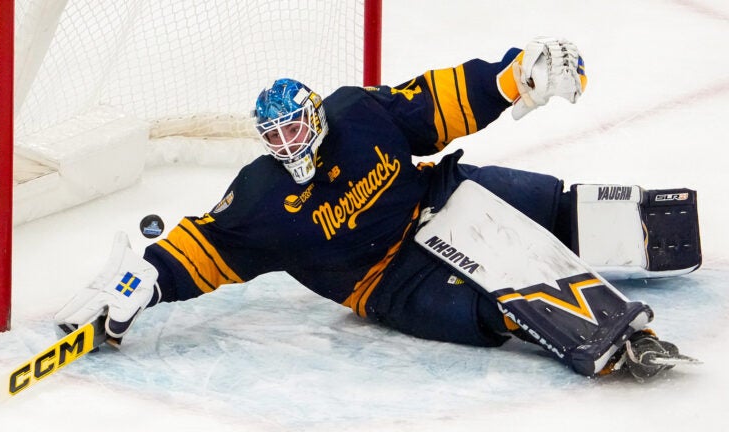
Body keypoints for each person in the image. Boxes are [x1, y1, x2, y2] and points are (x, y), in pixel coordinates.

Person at [55, 37, 700, 381]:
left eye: (295, 129)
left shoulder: (357, 113)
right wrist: (151, 278)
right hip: (387, 282)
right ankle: (590, 335)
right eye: (274, 138)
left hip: (439, 198)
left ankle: (650, 237)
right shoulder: (262, 197)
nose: (289, 145)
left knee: (553, 206)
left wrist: (515, 74)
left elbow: (436, 102)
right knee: (494, 303)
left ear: (315, 115)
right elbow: (208, 245)